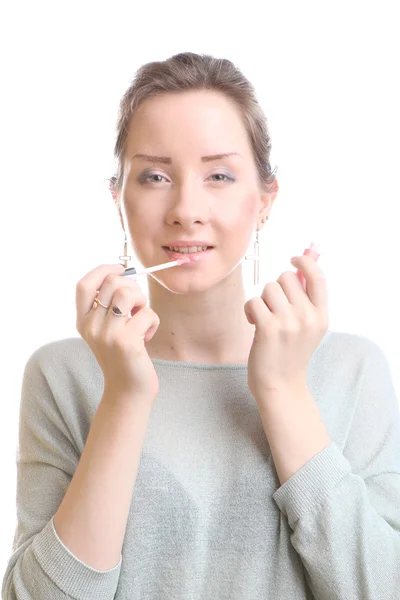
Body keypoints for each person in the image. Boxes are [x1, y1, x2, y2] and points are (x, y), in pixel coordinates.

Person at [2, 52, 400, 600]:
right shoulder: (62, 374)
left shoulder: (352, 370)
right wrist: (123, 395)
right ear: (120, 199)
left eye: (218, 175)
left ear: (265, 200)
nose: (186, 208)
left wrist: (282, 390)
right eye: (156, 175)